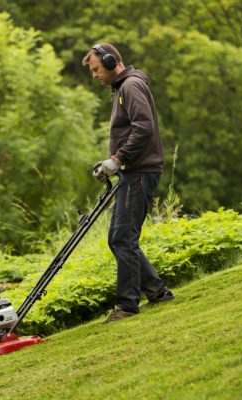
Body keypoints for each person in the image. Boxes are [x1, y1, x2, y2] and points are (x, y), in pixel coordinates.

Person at [82, 43, 174, 323]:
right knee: (120, 239)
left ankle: (127, 306)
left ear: (112, 62)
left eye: (97, 69)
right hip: (133, 171)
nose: (95, 75)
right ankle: (157, 292)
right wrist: (112, 162)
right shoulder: (125, 88)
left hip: (139, 172)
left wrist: (118, 159)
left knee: (123, 238)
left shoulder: (130, 86)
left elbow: (144, 127)